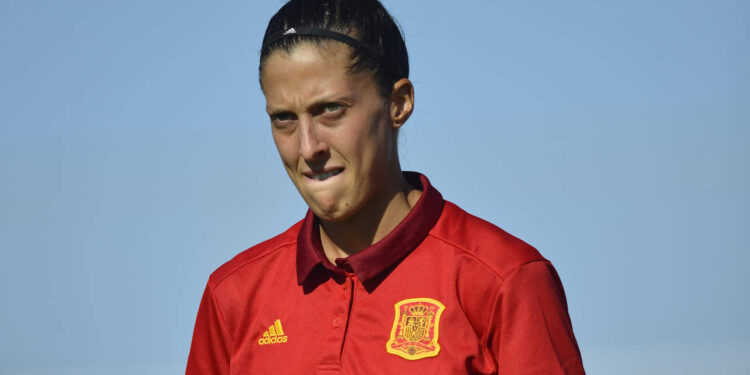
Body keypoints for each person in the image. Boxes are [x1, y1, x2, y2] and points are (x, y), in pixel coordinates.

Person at [186, 0, 585, 373]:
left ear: (399, 103)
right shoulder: (232, 297)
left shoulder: (505, 280)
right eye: (284, 118)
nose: (308, 147)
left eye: (330, 110)